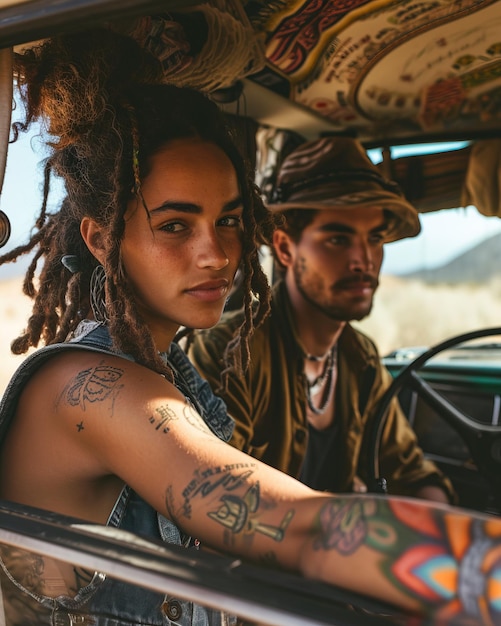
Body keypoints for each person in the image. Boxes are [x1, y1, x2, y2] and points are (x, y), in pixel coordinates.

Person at [0, 28, 498, 626]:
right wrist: (478, 571)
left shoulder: (165, 374)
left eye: (230, 219)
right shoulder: (92, 390)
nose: (217, 253)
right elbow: (303, 527)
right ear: (103, 239)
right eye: (176, 226)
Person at [189, 136, 455, 504]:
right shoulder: (232, 354)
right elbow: (224, 501)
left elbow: (410, 472)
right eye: (337, 240)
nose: (364, 259)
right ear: (284, 249)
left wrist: (440, 530)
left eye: (374, 239)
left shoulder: (359, 356)